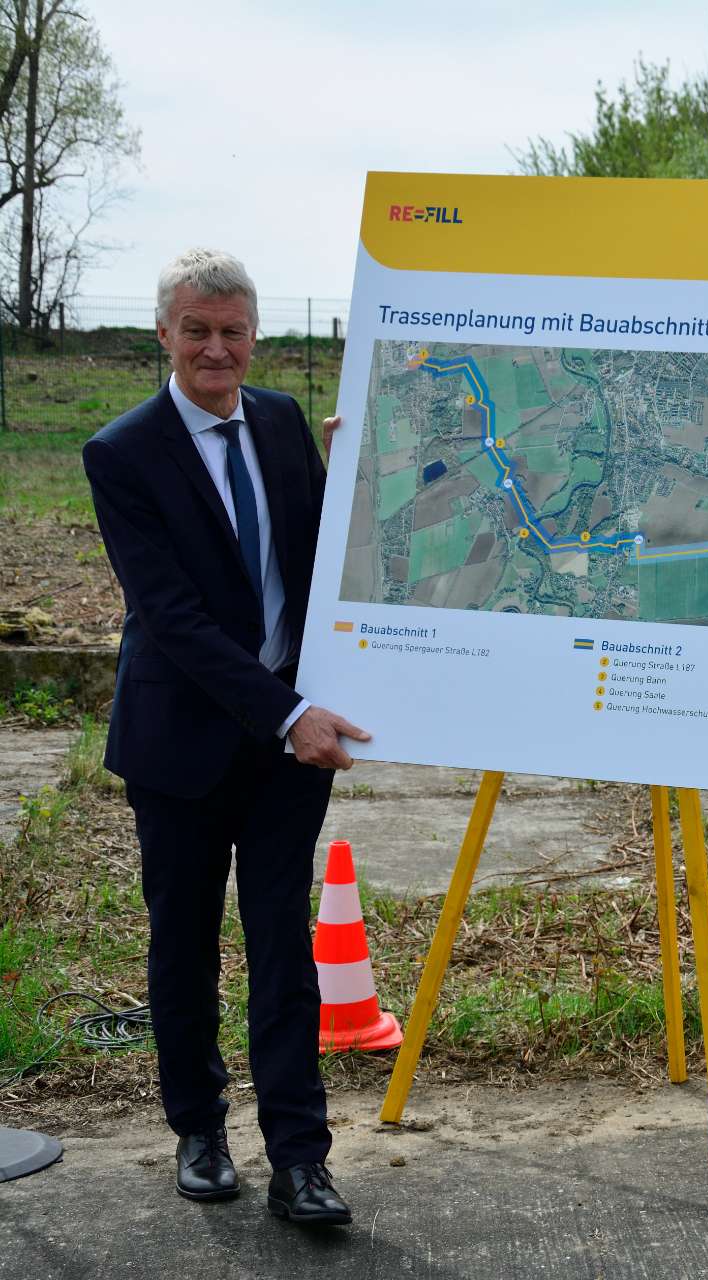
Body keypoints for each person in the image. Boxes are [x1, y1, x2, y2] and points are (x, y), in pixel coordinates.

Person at [83, 248, 371, 1227]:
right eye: (198, 330)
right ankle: (199, 1132)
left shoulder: (283, 421)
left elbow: (320, 553)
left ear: (255, 335)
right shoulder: (121, 453)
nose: (217, 349)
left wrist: (352, 478)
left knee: (283, 945)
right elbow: (172, 617)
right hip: (182, 744)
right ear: (164, 333)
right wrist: (289, 714)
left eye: (233, 331)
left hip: (286, 747)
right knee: (185, 943)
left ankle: (301, 1159)